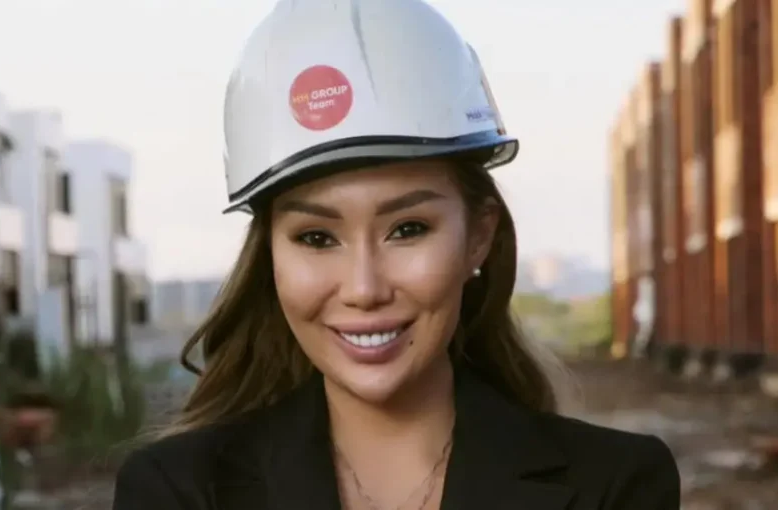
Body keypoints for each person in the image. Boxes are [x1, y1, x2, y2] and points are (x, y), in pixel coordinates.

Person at [113, 0, 681, 508]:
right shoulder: (177, 492)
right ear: (271, 258)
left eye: (408, 229)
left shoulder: (616, 487)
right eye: (317, 238)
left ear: (478, 236)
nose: (364, 288)